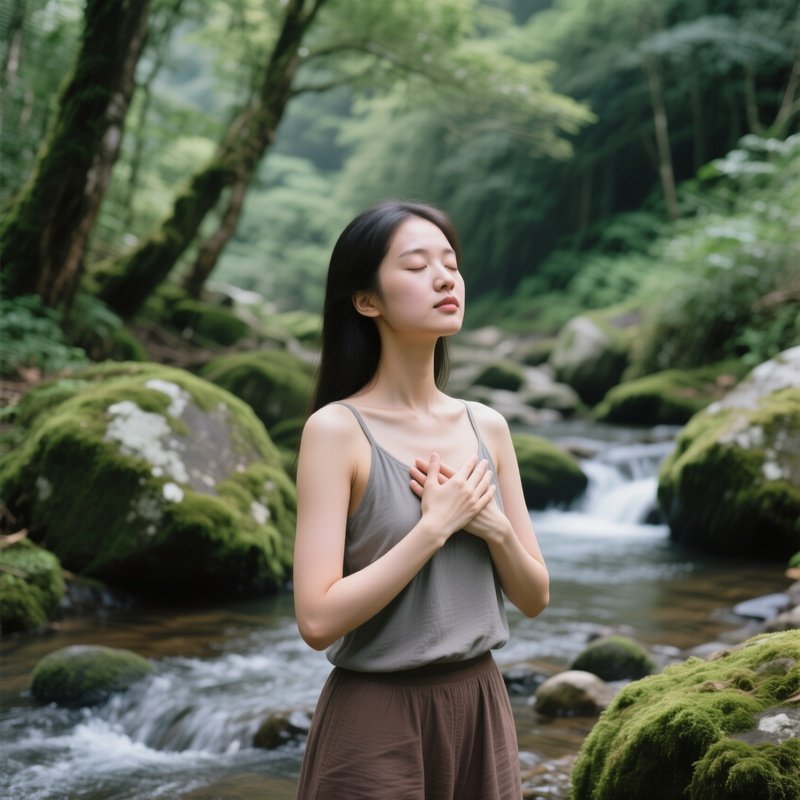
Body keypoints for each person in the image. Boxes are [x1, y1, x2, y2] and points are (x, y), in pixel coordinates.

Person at [293, 200, 549, 800]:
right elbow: (316, 618)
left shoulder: (488, 426)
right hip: (377, 719)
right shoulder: (336, 431)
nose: (443, 278)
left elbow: (535, 596)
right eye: (416, 266)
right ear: (366, 300)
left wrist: (493, 528)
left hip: (482, 707)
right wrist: (432, 529)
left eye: (451, 265)